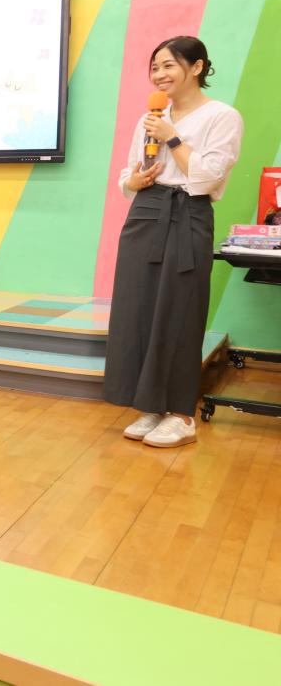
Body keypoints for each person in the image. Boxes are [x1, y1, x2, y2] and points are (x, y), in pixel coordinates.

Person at [106, 36, 244, 448]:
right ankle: (150, 404)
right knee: (138, 307)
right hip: (146, 210)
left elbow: (207, 178)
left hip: (188, 211)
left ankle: (181, 414)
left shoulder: (222, 116)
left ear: (197, 67)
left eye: (168, 65)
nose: (159, 75)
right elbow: (129, 174)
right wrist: (134, 180)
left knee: (180, 308)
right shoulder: (150, 117)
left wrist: (172, 137)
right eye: (155, 67)